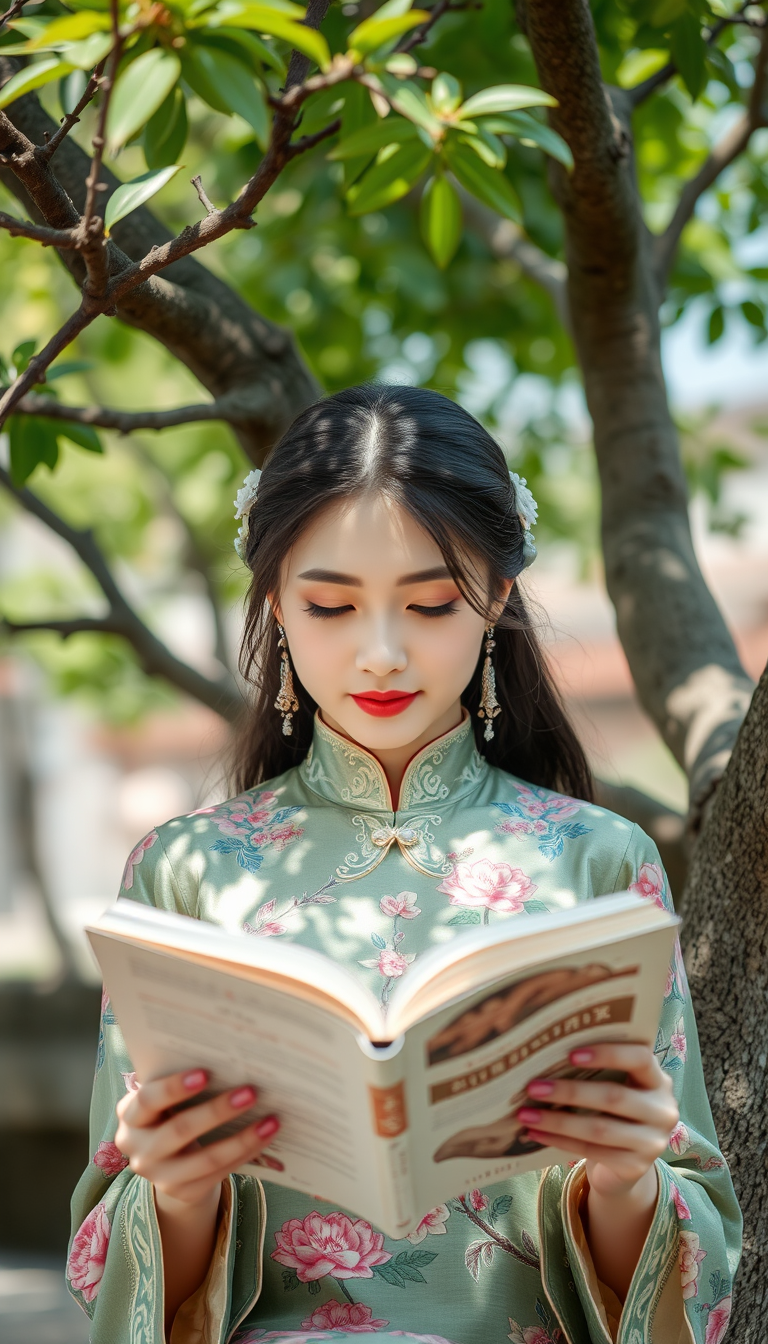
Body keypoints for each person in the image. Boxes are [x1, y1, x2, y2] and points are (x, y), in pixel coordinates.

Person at [67, 386, 741, 1344]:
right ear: (274, 604)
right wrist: (177, 1192)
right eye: (331, 605)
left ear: (498, 597)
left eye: (429, 603)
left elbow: (695, 1273)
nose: (381, 654)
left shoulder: (597, 861)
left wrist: (629, 1180)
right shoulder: (186, 874)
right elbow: (112, 1277)